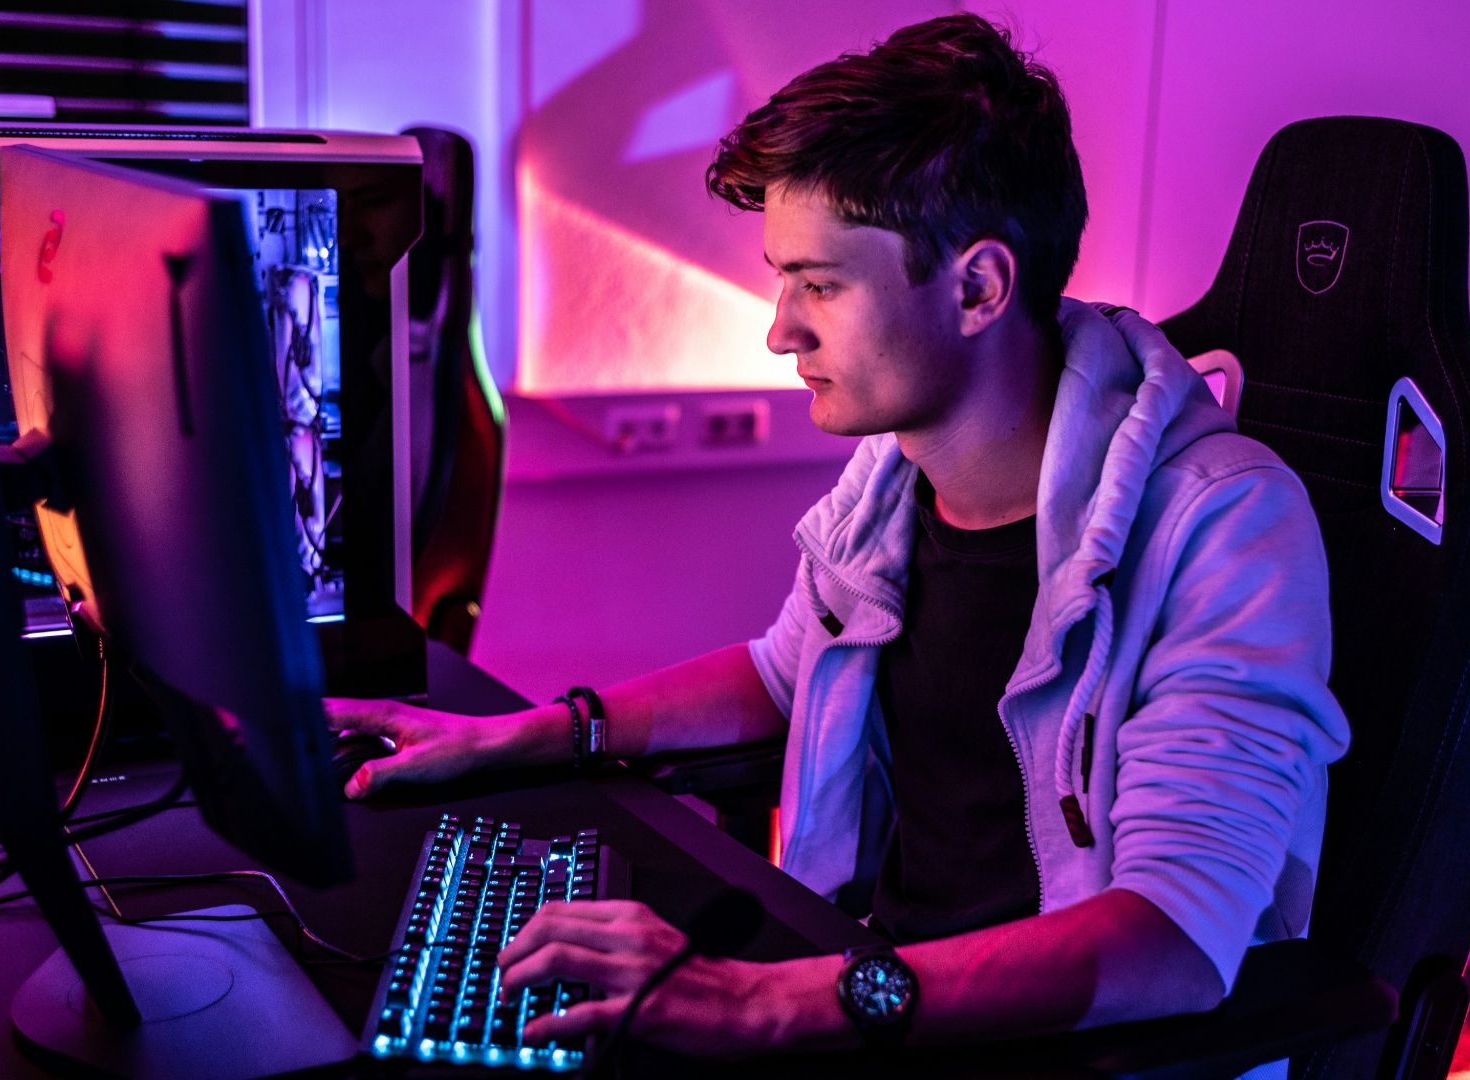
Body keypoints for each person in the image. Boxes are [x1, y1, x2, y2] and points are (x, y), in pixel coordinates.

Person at [325, 13, 1350, 1062]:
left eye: (819, 283)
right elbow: (785, 674)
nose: (780, 328)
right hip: (876, 984)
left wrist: (761, 1001)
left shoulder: (1221, 523)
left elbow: (1172, 940)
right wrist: (515, 734)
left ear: (978, 287)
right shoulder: (903, 465)